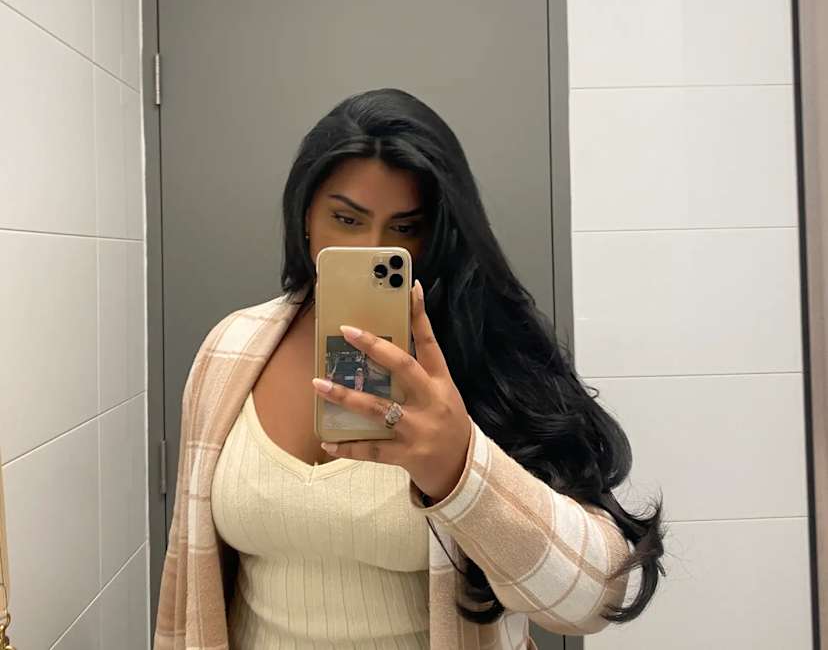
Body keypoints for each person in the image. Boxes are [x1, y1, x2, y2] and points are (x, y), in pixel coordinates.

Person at [153, 88, 666, 650]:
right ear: (304, 216)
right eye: (346, 218)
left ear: (437, 231)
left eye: (404, 228)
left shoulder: (480, 359)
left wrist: (460, 467)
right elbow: (186, 585)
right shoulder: (230, 351)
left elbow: (597, 598)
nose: (370, 246)